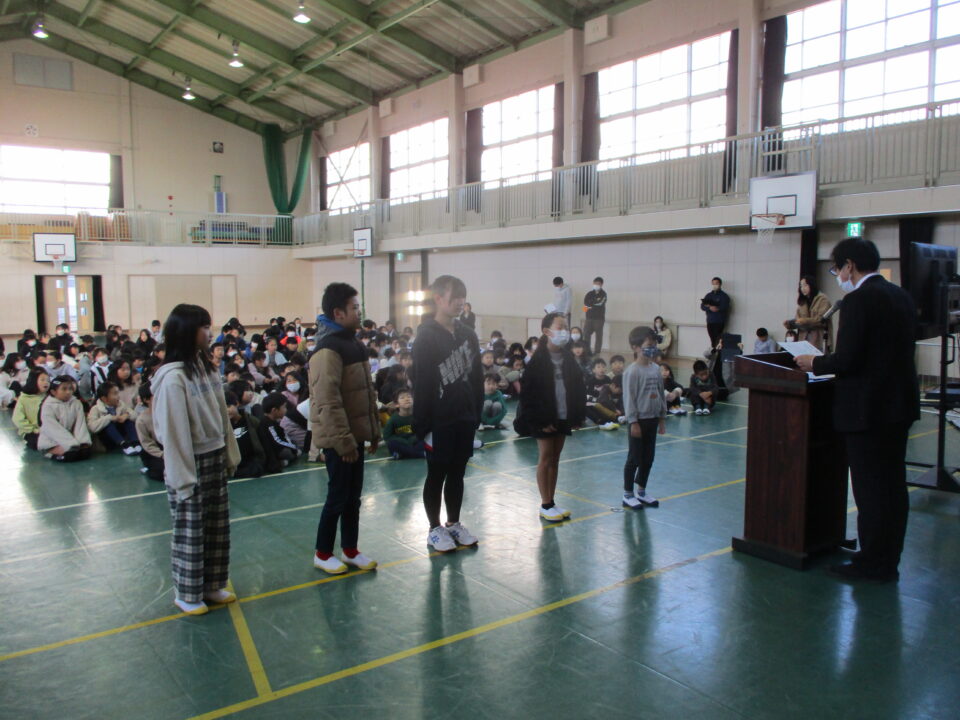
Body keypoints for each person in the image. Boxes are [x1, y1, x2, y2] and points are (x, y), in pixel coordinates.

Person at [796, 238, 919, 583]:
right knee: (892, 488)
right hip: (898, 405)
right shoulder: (901, 295)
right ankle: (887, 559)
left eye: (837, 268)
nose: (838, 275)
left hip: (868, 410)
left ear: (850, 265)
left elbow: (848, 359)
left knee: (871, 490)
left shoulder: (859, 300)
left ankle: (872, 564)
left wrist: (814, 362)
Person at [151, 303, 240, 616]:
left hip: (213, 455)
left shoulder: (205, 368)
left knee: (216, 526)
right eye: (203, 327)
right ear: (187, 332)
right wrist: (183, 477)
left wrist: (229, 453)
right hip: (189, 461)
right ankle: (187, 593)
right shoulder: (173, 378)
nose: (209, 332)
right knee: (190, 530)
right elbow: (173, 433)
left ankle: (211, 584)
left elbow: (221, 416)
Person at [309, 283, 381, 574]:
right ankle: (323, 553)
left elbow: (366, 393)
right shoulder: (327, 349)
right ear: (338, 313)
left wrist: (373, 431)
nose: (359, 312)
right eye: (354, 308)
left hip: (355, 436)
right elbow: (327, 401)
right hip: (339, 440)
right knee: (337, 497)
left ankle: (350, 549)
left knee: (353, 498)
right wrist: (343, 441)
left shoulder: (354, 343)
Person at [412, 275, 483, 552]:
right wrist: (422, 424)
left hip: (464, 418)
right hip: (438, 421)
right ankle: (434, 529)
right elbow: (422, 383)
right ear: (438, 299)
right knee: (436, 474)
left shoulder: (468, 334)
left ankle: (454, 523)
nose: (460, 303)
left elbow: (476, 377)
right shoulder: (425, 337)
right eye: (455, 297)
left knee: (457, 473)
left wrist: (475, 412)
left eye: (463, 297)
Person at [514, 312, 586, 521]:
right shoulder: (537, 362)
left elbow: (578, 388)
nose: (565, 331)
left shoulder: (568, 359)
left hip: (562, 416)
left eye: (566, 327)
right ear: (547, 331)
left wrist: (577, 416)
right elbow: (528, 396)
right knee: (545, 458)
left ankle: (552, 502)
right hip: (544, 419)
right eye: (560, 327)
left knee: (555, 459)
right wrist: (540, 421)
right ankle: (545, 504)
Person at [622, 326, 667, 509]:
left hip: (652, 419)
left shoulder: (655, 369)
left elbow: (660, 393)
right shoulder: (632, 372)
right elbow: (629, 398)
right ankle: (628, 494)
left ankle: (641, 491)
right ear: (635, 347)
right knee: (634, 458)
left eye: (654, 344)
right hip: (638, 421)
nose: (652, 348)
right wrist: (633, 421)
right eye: (648, 345)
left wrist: (662, 418)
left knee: (648, 458)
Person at [37, 375, 92, 462]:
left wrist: (82, 442)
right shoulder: (48, 406)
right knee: (70, 455)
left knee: (85, 453)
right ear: (53, 392)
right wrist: (70, 443)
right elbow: (53, 429)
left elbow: (80, 424)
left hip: (73, 439)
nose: (68, 392)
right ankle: (51, 454)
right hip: (52, 440)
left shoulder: (76, 403)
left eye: (70, 389)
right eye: (64, 389)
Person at [87, 381, 141, 455]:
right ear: (104, 398)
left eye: (118, 393)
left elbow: (135, 415)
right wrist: (109, 418)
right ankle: (124, 445)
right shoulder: (95, 409)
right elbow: (92, 427)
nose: (118, 396)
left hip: (121, 434)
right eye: (115, 394)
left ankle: (135, 443)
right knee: (108, 424)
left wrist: (127, 415)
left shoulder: (121, 404)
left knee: (128, 421)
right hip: (106, 440)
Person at [224, 391, 266, 479]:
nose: (226, 411)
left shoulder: (251, 421)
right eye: (223, 408)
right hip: (234, 463)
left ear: (237, 404)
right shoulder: (223, 426)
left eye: (228, 406)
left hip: (250, 461)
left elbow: (264, 442)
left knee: (256, 470)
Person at [786, 275, 832, 351]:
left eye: (805, 285)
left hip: (819, 341)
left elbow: (821, 320)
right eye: (801, 286)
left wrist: (805, 321)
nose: (802, 288)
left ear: (812, 285)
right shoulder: (802, 302)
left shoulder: (823, 299)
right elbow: (798, 320)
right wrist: (790, 324)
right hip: (803, 340)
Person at [258, 392, 300, 472]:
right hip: (273, 452)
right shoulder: (267, 423)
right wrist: (294, 448)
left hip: (277, 448)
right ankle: (280, 462)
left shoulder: (275, 422)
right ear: (274, 410)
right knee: (287, 452)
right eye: (284, 407)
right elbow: (277, 441)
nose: (286, 410)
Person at [383, 389, 426, 459]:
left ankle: (403, 454)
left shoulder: (418, 416)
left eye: (409, 397)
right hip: (401, 443)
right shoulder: (393, 420)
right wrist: (403, 441)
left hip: (415, 442)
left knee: (425, 440)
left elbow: (422, 431)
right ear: (397, 404)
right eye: (402, 398)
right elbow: (387, 437)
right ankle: (419, 454)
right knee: (391, 444)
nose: (406, 399)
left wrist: (413, 439)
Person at [13, 368, 49, 450]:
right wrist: (33, 430)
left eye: (48, 380)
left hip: (48, 430)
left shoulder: (49, 397)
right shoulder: (24, 398)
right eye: (42, 380)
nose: (46, 382)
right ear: (34, 381)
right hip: (31, 432)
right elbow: (17, 419)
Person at [136, 383, 164, 481]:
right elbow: (147, 444)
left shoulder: (167, 412)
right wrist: (162, 454)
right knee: (162, 472)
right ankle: (148, 469)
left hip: (169, 447)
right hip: (154, 451)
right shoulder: (141, 420)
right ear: (146, 399)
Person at [700, 277, 731, 348]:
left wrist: (718, 308)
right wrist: (709, 308)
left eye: (716, 283)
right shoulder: (708, 295)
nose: (715, 285)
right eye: (713, 284)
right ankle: (714, 352)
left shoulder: (724, 296)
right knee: (712, 339)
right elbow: (702, 306)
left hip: (719, 321)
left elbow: (725, 306)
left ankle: (717, 353)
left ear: (720, 284)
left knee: (718, 339)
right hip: (710, 321)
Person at [582, 277, 607, 355]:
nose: (596, 285)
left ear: (601, 284)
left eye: (598, 284)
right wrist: (593, 303)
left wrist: (590, 303)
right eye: (595, 283)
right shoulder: (589, 293)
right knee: (586, 334)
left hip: (599, 319)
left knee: (598, 336)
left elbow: (600, 303)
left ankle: (597, 352)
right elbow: (585, 304)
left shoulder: (603, 294)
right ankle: (587, 351)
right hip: (588, 318)